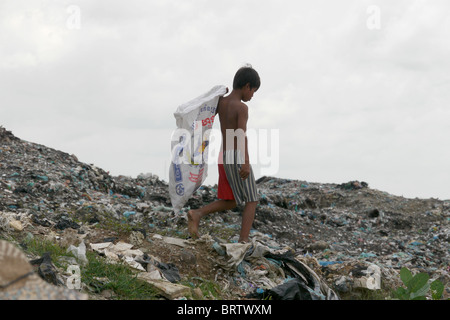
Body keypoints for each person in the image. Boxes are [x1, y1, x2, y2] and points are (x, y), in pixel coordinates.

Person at [188, 65, 261, 243]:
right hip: (236, 156)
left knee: (231, 200)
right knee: (252, 200)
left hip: (223, 156)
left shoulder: (221, 103)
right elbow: (241, 134)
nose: (252, 96)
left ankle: (197, 213)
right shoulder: (241, 108)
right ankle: (243, 241)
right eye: (253, 91)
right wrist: (245, 162)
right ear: (247, 86)